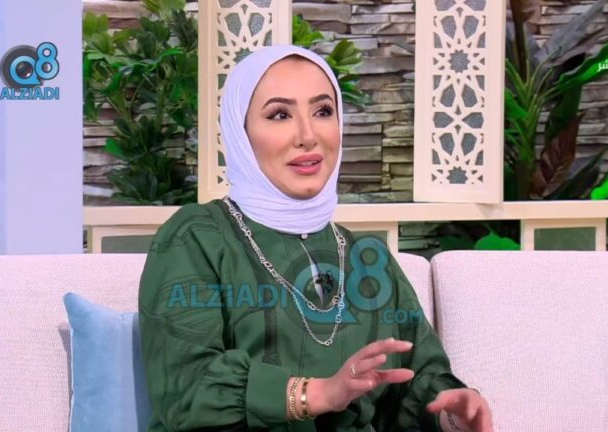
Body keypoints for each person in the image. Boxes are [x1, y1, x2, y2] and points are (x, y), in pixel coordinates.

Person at [138, 45, 493, 432]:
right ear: (240, 134)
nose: (308, 136)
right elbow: (186, 387)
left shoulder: (363, 257)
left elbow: (414, 380)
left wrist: (450, 414)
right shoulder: (196, 237)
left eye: (323, 111)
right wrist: (317, 394)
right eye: (280, 114)